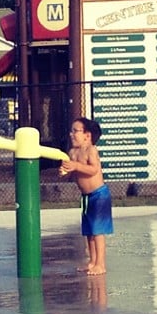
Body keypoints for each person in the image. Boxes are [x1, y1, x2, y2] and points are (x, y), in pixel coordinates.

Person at [60, 117, 113, 275]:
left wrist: (76, 165)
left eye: (75, 131)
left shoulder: (91, 150)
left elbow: (93, 170)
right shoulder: (72, 152)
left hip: (99, 195)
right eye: (71, 131)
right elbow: (73, 174)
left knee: (98, 231)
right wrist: (65, 172)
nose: (71, 134)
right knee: (89, 231)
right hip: (86, 197)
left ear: (87, 135)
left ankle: (100, 264)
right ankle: (92, 261)